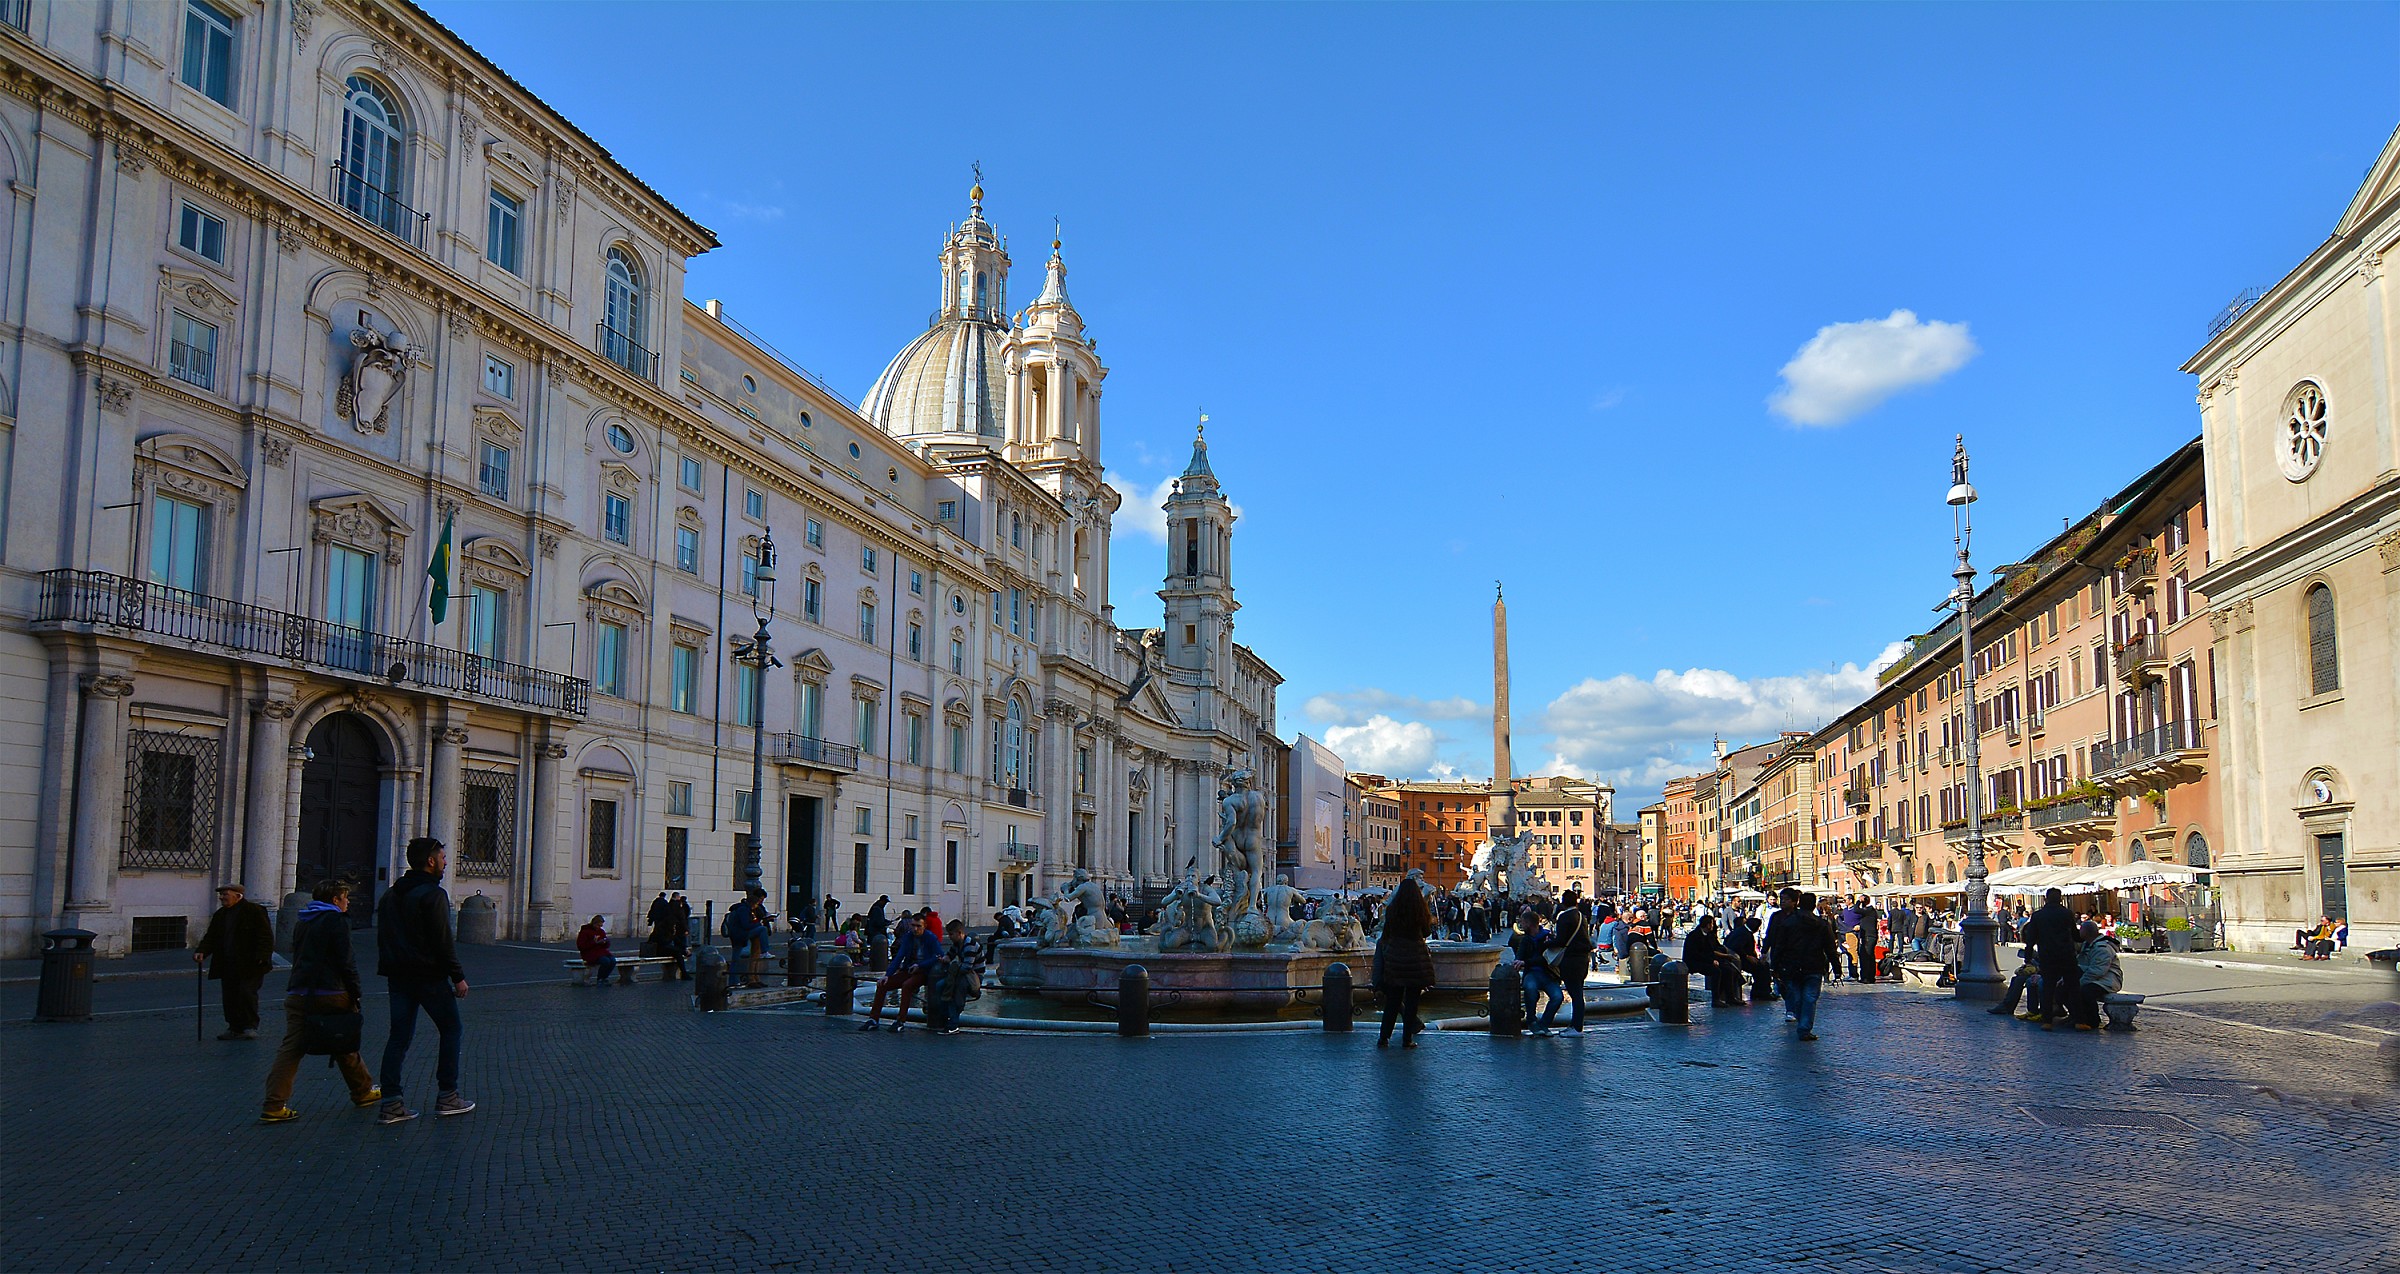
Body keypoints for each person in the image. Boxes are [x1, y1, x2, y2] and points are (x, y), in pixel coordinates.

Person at [258, 879, 380, 1123]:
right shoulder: (337, 921)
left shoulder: (303, 921)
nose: (347, 903)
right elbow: (346, 961)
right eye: (345, 898)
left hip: (299, 991)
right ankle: (362, 1091)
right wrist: (355, 992)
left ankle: (274, 1103)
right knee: (343, 1039)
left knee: (291, 1049)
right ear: (335, 900)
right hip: (331, 991)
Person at [375, 837, 473, 1124]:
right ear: (430, 861)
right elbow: (442, 941)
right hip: (428, 975)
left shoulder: (390, 895)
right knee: (451, 1028)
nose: (446, 862)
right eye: (442, 857)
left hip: (397, 975)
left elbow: (384, 937)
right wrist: (458, 977)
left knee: (399, 1037)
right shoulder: (433, 895)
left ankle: (391, 1102)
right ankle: (448, 1095)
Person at [194, 883, 275, 1040]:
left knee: (246, 993)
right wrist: (202, 951)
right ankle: (234, 1027)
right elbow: (211, 937)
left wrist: (263, 956)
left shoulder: (254, 911)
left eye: (226, 894)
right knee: (230, 996)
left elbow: (265, 936)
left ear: (238, 896)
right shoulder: (221, 915)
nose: (222, 897)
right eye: (222, 895)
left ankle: (249, 1026)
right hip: (228, 962)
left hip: (251, 962)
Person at [1762, 888, 1837, 1041]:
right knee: (1810, 998)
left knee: (1796, 995)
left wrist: (1774, 966)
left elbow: (1779, 945)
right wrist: (1836, 968)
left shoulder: (1787, 923)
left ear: (1798, 903)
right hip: (1813, 965)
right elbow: (1830, 948)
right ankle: (1804, 1029)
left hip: (1792, 965)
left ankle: (1799, 1018)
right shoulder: (1822, 924)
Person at [1375, 871, 1436, 1048]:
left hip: (1395, 959)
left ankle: (1383, 1037)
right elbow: (1426, 932)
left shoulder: (1393, 910)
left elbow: (1386, 933)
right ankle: (1407, 1039)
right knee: (1412, 1003)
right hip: (1415, 960)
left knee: (1393, 1002)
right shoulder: (1420, 910)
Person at [2018, 888, 2082, 1030]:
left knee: (2048, 988)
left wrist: (2028, 957)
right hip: (2067, 955)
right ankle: (2079, 1020)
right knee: (2073, 987)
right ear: (2060, 899)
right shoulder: (2066, 913)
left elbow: (2031, 939)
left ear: (2046, 899)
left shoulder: (2038, 916)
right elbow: (2075, 935)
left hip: (2047, 956)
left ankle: (2047, 1021)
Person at [862, 914, 938, 1032]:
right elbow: (899, 957)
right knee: (882, 984)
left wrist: (920, 965)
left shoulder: (931, 938)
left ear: (925, 926)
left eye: (918, 926)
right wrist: (887, 975)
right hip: (909, 970)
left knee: (907, 986)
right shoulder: (909, 937)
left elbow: (938, 956)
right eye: (913, 925)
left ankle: (900, 1021)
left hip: (924, 972)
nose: (915, 929)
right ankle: (873, 1019)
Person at [1512, 908, 1568, 1036]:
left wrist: (1525, 962)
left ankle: (1544, 1024)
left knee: (1557, 996)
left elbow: (1546, 959)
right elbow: (1520, 954)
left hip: (1548, 974)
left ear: (1530, 924)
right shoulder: (1525, 939)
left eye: (1523, 923)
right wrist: (1517, 961)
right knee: (1530, 989)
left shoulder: (1548, 937)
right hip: (1532, 974)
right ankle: (1532, 1021)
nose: (1521, 925)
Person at [1549, 898, 1594, 1035]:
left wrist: (1547, 943)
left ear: (1564, 903)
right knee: (1578, 993)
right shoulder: (1582, 916)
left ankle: (1576, 1027)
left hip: (1571, 960)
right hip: (1583, 959)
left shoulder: (1564, 917)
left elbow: (1561, 940)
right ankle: (1576, 1025)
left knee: (1575, 993)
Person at [1681, 914, 1744, 1006]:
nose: (1713, 926)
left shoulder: (1708, 935)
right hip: (1694, 962)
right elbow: (1696, 954)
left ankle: (1730, 997)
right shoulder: (1694, 936)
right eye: (1712, 924)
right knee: (1716, 971)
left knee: (1728, 970)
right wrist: (1711, 961)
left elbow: (1711, 949)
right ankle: (1716, 999)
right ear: (1708, 925)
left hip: (1707, 959)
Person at [2071, 921, 2123, 1030]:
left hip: (2108, 980)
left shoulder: (2102, 948)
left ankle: (2092, 1020)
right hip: (2095, 977)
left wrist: (2078, 983)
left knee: (2086, 991)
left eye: (2081, 929)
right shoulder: (2087, 944)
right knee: (2066, 988)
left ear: (2087, 932)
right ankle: (2077, 1016)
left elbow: (2097, 971)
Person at [576, 915, 617, 985]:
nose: (599, 927)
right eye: (598, 925)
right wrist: (594, 942)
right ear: (594, 923)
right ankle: (600, 978)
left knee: (613, 961)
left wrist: (605, 942)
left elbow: (606, 946)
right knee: (605, 961)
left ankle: (605, 977)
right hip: (589, 953)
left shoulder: (601, 931)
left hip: (601, 952)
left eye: (601, 926)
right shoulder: (585, 931)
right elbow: (581, 946)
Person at [865, 895, 892, 970]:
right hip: (876, 932)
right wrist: (886, 923)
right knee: (877, 950)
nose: (885, 904)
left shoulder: (876, 907)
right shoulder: (877, 909)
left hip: (874, 932)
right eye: (885, 902)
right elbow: (878, 922)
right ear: (882, 901)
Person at [644, 892, 672, 957]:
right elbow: (667, 912)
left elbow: (652, 910)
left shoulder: (655, 902)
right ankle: (654, 940)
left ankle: (652, 940)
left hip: (656, 918)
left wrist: (650, 919)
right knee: (658, 930)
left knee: (656, 929)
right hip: (662, 919)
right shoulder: (665, 903)